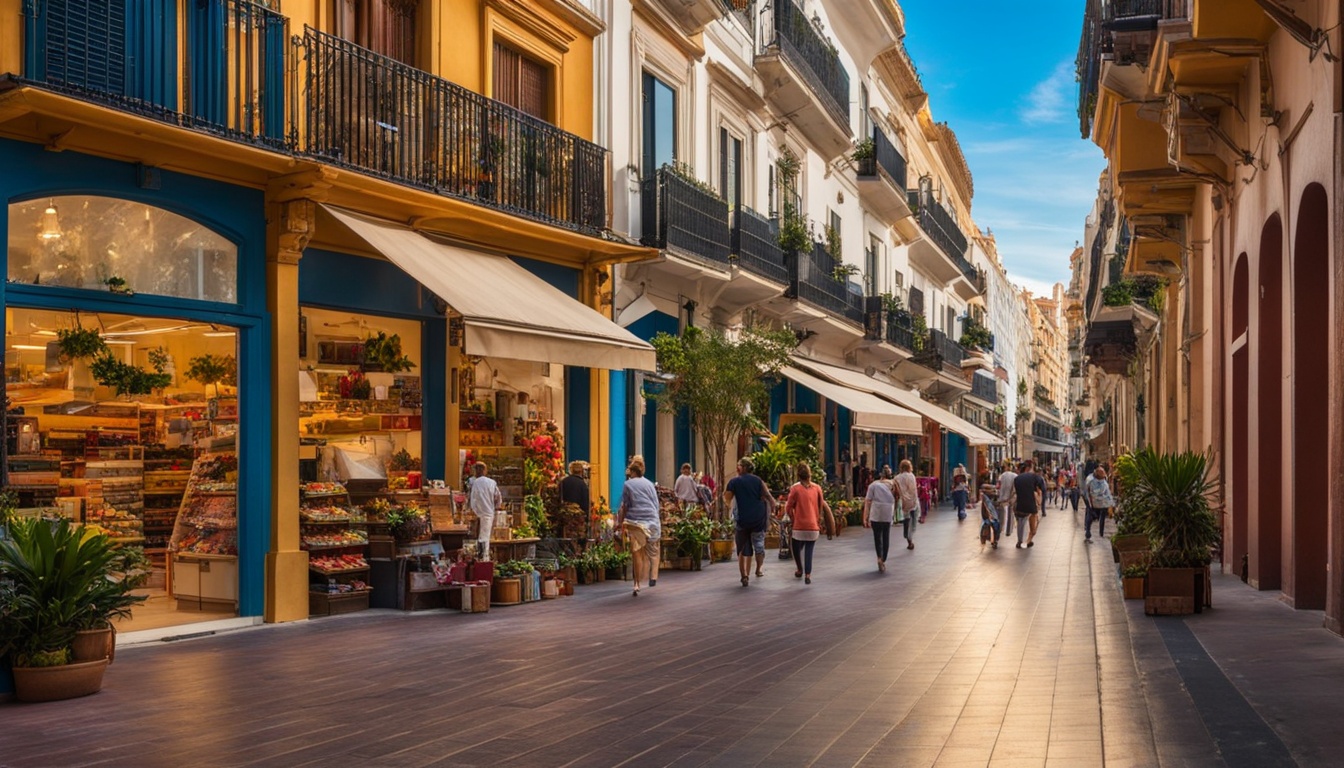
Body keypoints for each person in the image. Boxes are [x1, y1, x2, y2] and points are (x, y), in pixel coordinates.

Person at [724, 457, 775, 587]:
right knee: (758, 545)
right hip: (758, 518)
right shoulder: (758, 481)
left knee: (742, 548)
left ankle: (744, 576)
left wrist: (729, 507)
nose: (737, 468)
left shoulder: (734, 482)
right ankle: (758, 569)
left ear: (744, 468)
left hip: (742, 520)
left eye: (739, 466)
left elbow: (727, 500)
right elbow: (769, 496)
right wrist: (773, 508)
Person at [616, 456, 661, 596]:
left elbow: (626, 505)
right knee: (652, 550)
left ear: (632, 471)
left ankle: (637, 584)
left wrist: (620, 523)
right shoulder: (649, 484)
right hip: (652, 520)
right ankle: (652, 576)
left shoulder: (628, 484)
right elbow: (656, 504)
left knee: (636, 552)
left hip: (636, 522)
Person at [783, 462, 833, 584]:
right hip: (813, 526)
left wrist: (793, 518)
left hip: (799, 526)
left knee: (795, 547)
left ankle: (799, 569)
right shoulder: (817, 488)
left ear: (799, 476)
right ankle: (808, 575)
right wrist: (818, 519)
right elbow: (820, 506)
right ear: (810, 475)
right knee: (809, 549)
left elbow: (788, 507)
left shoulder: (795, 489)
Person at [862, 465, 897, 572]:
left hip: (876, 514)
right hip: (887, 513)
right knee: (885, 536)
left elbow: (868, 501)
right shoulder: (893, 485)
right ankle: (883, 558)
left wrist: (865, 517)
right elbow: (897, 499)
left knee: (877, 538)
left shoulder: (873, 485)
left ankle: (878, 557)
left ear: (881, 476)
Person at [467, 461, 502, 560]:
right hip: (488, 513)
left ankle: (478, 558)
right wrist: (496, 508)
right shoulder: (491, 483)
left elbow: (470, 498)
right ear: (485, 471)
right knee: (485, 538)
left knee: (475, 538)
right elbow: (498, 498)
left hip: (474, 513)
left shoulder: (472, 482)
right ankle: (484, 559)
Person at [1009, 459, 1047, 548]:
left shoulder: (1017, 479)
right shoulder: (1035, 477)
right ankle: (1027, 541)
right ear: (1029, 468)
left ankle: (1020, 541)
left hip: (1019, 504)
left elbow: (1014, 492)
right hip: (1030, 505)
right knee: (1033, 524)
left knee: (1020, 523)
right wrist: (1039, 502)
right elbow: (1042, 490)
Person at [1083, 465, 1116, 542]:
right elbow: (1091, 494)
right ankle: (1088, 531)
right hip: (1091, 501)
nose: (1103, 478)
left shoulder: (1103, 481)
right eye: (1102, 477)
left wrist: (1111, 503)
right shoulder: (1091, 481)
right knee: (1091, 516)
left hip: (1102, 502)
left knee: (1102, 515)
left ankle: (1101, 532)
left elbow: (1107, 492)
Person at [558, 461, 590, 537]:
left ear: (571, 470)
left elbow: (558, 496)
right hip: (578, 517)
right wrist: (586, 517)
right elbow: (585, 502)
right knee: (577, 537)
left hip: (565, 516)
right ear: (581, 471)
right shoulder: (582, 484)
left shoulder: (563, 482)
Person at [894, 459, 920, 550]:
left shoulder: (896, 478)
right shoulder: (911, 476)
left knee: (906, 519)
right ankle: (910, 538)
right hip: (912, 502)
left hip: (902, 502)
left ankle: (907, 536)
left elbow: (895, 491)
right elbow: (913, 490)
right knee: (913, 520)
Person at [997, 461, 1018, 538]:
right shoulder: (1015, 476)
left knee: (1001, 515)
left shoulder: (1001, 476)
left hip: (1002, 498)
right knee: (1010, 514)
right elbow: (1015, 488)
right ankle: (1008, 531)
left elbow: (998, 486)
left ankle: (1000, 529)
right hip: (1011, 498)